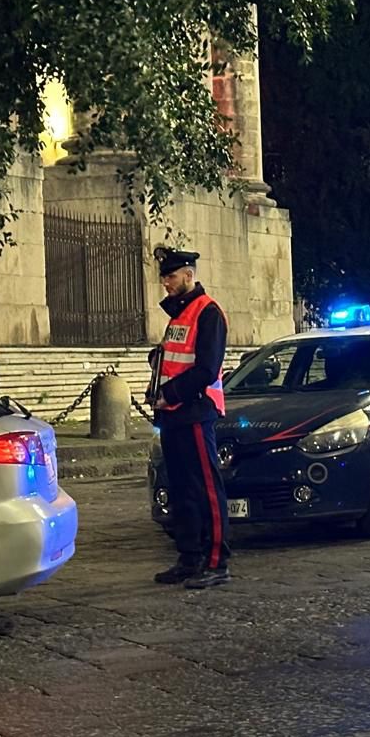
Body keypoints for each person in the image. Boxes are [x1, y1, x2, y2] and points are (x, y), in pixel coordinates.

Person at [148, 247, 231, 589]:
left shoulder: (208, 312)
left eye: (170, 276)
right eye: (163, 277)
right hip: (173, 413)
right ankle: (189, 556)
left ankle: (216, 561)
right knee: (181, 489)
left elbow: (207, 369)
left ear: (188, 275)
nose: (165, 283)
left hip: (196, 410)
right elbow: (175, 360)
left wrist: (170, 393)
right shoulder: (179, 314)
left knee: (206, 488)